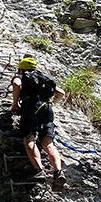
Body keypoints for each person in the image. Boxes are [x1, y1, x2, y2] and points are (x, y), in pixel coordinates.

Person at [11, 54, 67, 189]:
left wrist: (15, 104)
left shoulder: (22, 76)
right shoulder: (43, 77)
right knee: (48, 142)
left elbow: (16, 84)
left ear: (21, 69)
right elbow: (61, 93)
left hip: (30, 107)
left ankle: (39, 170)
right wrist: (52, 103)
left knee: (29, 138)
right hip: (46, 109)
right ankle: (58, 171)